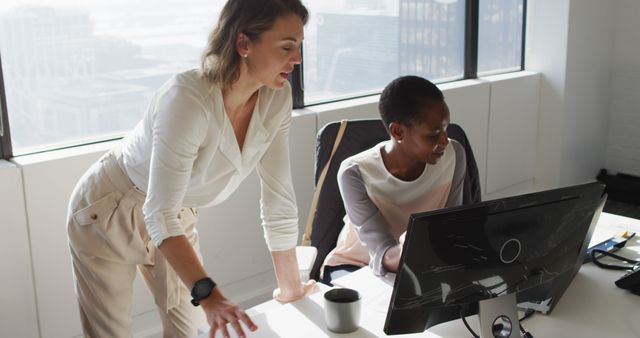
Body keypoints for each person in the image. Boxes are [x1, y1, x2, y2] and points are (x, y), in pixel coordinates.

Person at [66, 1, 315, 337]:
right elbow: (158, 212)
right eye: (287, 47)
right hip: (111, 207)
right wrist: (211, 296)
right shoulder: (188, 98)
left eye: (299, 46)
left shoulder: (276, 98)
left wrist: (291, 290)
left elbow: (278, 198)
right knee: (110, 333)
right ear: (244, 44)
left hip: (174, 214)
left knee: (191, 332)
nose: (296, 59)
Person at [321, 75, 466, 285]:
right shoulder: (354, 173)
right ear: (398, 131)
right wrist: (415, 247)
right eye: (434, 134)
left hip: (420, 265)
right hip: (357, 266)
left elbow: (450, 227)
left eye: (445, 129)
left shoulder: (455, 154)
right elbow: (384, 255)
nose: (445, 140)